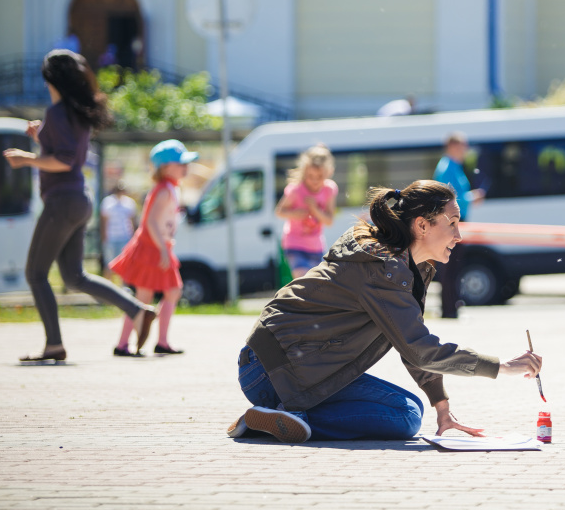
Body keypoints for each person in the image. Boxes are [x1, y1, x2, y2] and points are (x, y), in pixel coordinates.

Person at [227, 179, 541, 443]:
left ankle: (273, 418)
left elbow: (409, 339)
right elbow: (419, 349)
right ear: (422, 225)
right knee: (404, 417)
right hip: (272, 370)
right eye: (452, 223)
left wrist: (442, 407)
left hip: (291, 363)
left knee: (410, 409)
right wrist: (501, 367)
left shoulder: (407, 266)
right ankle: (284, 417)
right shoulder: (384, 268)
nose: (459, 236)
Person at [3, 49, 156, 364]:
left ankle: (54, 345)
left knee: (35, 273)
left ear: (50, 78)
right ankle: (137, 311)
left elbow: (64, 160)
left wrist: (26, 158)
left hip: (62, 202)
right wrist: (40, 136)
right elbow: (64, 149)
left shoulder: (59, 112)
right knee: (74, 276)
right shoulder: (76, 112)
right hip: (77, 200)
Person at [109, 140, 197, 356]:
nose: (185, 167)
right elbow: (150, 221)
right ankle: (129, 344)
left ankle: (147, 342)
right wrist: (163, 249)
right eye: (180, 163)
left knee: (162, 294)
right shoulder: (164, 190)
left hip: (157, 246)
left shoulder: (170, 188)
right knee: (151, 296)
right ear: (165, 167)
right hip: (152, 248)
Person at [432, 132, 486, 317]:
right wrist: (472, 198)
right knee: (450, 264)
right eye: (463, 145)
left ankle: (451, 306)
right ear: (453, 146)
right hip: (452, 222)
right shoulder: (447, 167)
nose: (466, 149)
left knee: (454, 264)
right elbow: (450, 199)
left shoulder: (453, 166)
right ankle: (449, 308)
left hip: (455, 221)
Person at [274, 144, 338, 279]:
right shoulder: (295, 190)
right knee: (302, 277)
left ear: (328, 173)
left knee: (318, 282)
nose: (314, 180)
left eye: (319, 176)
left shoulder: (329, 189)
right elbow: (279, 211)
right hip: (294, 244)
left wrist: (315, 209)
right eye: (310, 176)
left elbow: (329, 220)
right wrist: (294, 214)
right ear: (304, 172)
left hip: (316, 246)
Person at [100, 180, 139, 272]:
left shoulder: (130, 203)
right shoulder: (108, 202)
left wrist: (134, 237)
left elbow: (133, 221)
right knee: (109, 264)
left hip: (125, 237)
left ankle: (122, 282)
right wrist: (104, 237)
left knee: (125, 264)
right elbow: (104, 221)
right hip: (111, 237)